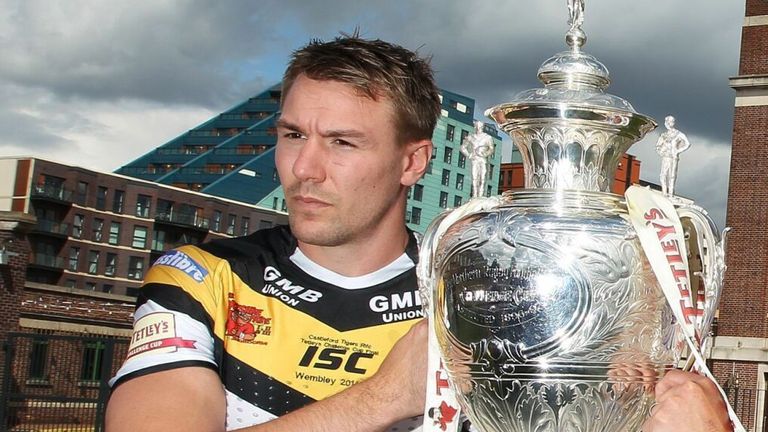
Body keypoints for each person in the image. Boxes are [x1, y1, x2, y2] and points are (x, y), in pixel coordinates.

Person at [105, 34, 733, 432]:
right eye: (292, 135)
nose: (304, 169)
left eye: (343, 143)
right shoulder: (202, 278)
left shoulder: (486, 296)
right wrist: (385, 398)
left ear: (413, 162)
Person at [655, 115, 691, 196]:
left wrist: (677, 151)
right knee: (663, 175)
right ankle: (664, 192)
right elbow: (658, 146)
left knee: (672, 175)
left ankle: (670, 194)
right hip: (665, 157)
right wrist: (661, 151)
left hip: (673, 157)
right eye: (668, 121)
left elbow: (687, 144)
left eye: (671, 121)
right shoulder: (663, 135)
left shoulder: (678, 134)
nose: (669, 123)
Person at [459, 120, 494, 198]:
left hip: (483, 159)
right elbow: (463, 147)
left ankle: (481, 195)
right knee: (474, 177)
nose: (479, 128)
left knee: (483, 177)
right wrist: (469, 155)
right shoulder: (471, 137)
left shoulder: (488, 137)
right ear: (475, 127)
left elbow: (491, 149)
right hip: (475, 159)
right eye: (477, 126)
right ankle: (475, 195)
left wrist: (485, 154)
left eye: (480, 126)